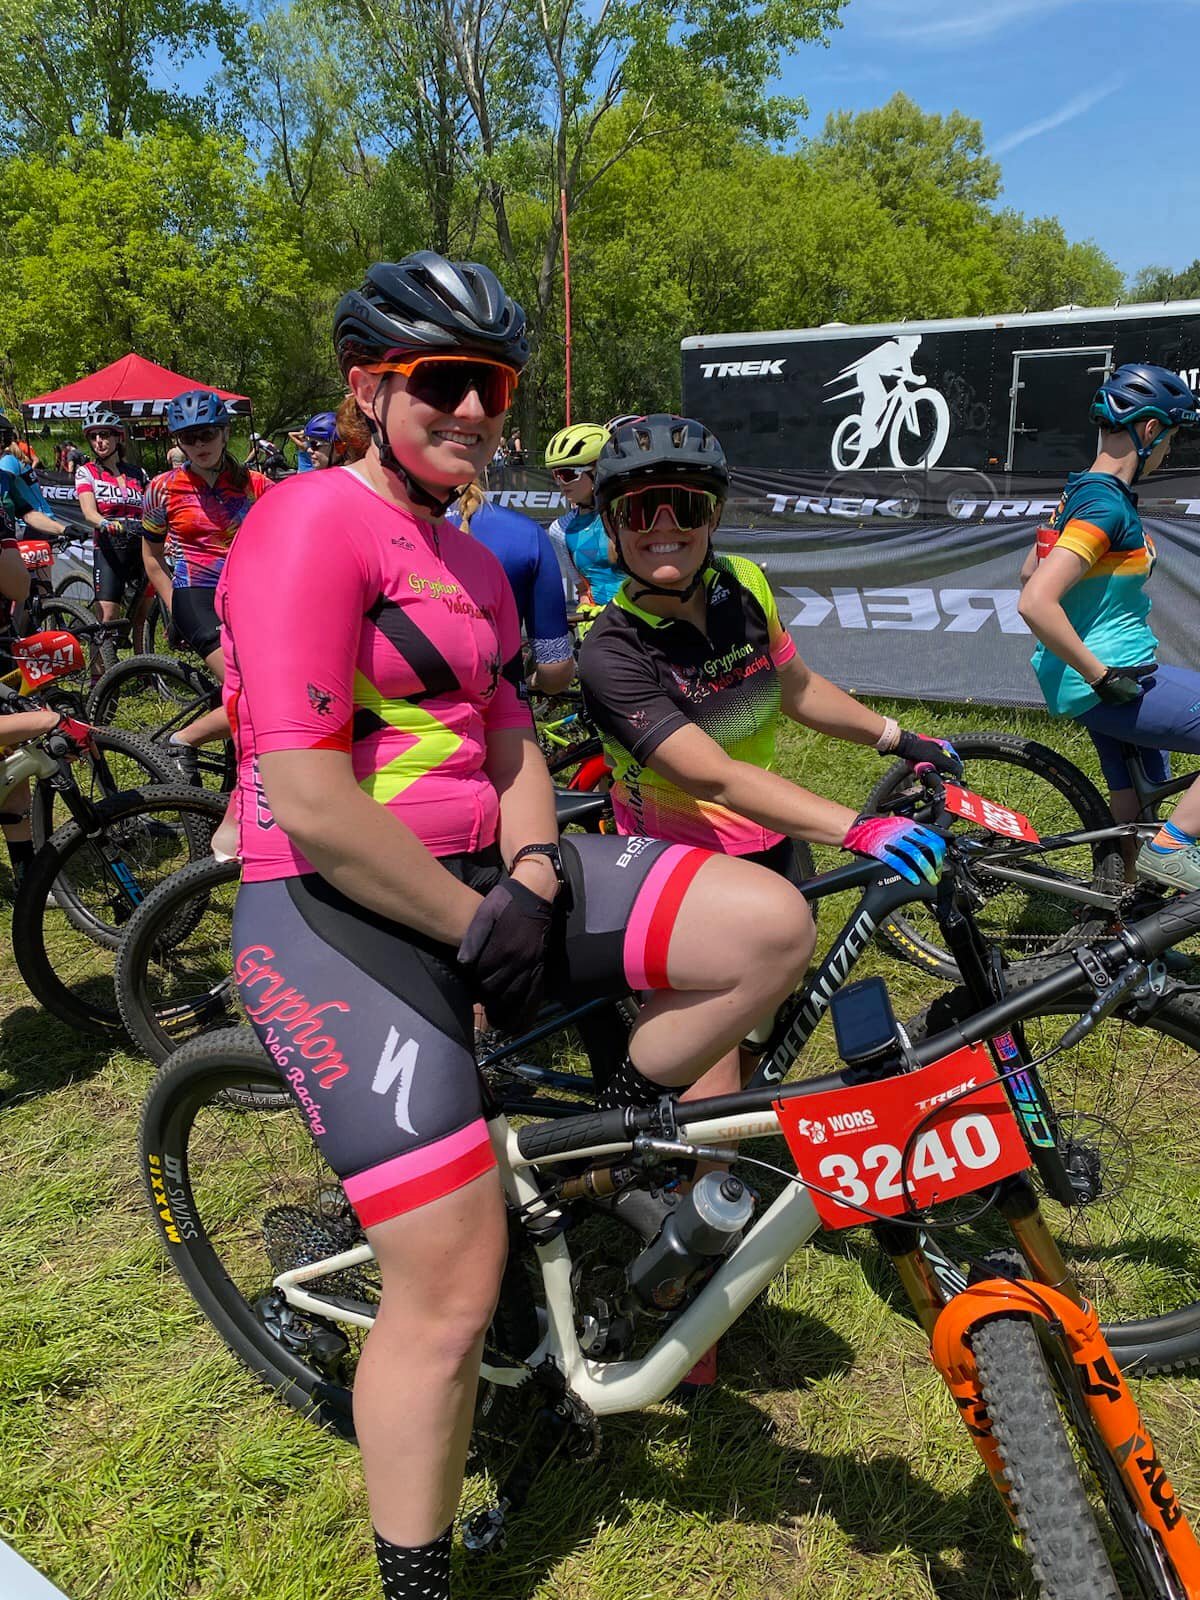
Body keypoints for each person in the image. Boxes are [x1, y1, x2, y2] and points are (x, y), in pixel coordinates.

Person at [216, 250, 814, 1600]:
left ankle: (595, 1148)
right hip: (333, 904)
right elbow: (308, 799)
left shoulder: (476, 556)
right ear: (368, 388)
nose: (480, 410)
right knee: (449, 1286)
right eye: (447, 381)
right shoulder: (308, 521)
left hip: (488, 873)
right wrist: (468, 921)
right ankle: (417, 1578)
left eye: (496, 384)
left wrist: (534, 876)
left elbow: (510, 740)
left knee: (766, 925)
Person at [1018, 363, 1200, 889]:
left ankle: (1127, 901)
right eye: (1171, 438)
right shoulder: (1104, 504)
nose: (1169, 451)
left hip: (1087, 676)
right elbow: (1035, 599)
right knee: (1151, 803)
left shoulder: (1080, 492)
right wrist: (1100, 675)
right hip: (1110, 676)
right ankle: (1172, 848)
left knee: (1137, 790)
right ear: (1150, 429)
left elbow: (1029, 570)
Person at [141, 390, 271, 777]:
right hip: (195, 594)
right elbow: (152, 558)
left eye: (207, 434)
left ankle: (241, 775)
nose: (199, 444)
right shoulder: (162, 489)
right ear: (178, 441)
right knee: (253, 692)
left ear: (225, 432)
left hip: (248, 595)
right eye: (188, 437)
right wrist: (175, 610)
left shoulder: (257, 486)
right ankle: (182, 741)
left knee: (275, 681)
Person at [451, 482, 574, 694]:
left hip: (406, 708)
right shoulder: (526, 533)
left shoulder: (393, 528)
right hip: (501, 700)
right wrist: (531, 682)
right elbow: (555, 670)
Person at [74, 412, 148, 625]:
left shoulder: (138, 473)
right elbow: (89, 512)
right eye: (93, 436)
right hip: (109, 548)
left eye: (104, 435)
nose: (99, 441)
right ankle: (102, 648)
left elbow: (153, 508)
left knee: (142, 615)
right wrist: (105, 523)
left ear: (118, 437)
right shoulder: (86, 472)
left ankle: (142, 649)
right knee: (108, 617)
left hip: (141, 546)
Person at [544, 422, 624, 607]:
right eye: (556, 475)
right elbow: (583, 589)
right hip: (600, 620)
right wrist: (586, 609)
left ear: (597, 471)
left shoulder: (630, 514)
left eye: (568, 474)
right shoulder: (560, 529)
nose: (561, 482)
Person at [0, 416, 75, 544]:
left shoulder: (5, 469)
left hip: (35, 524)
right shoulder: (11, 461)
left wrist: (64, 529)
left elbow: (27, 513)